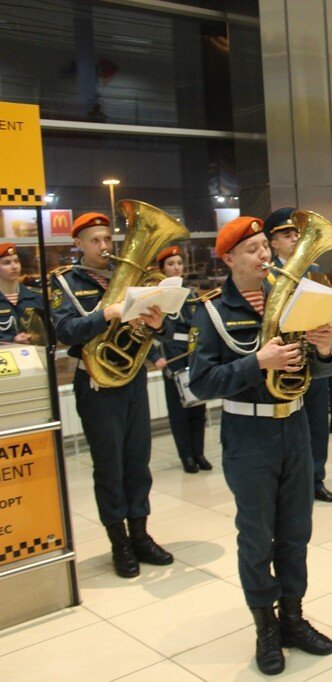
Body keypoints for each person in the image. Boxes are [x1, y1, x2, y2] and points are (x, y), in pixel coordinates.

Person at [189, 216, 332, 675]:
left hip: (293, 428)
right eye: (252, 249)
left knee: (296, 531)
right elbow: (200, 381)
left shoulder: (292, 298)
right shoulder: (212, 310)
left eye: (263, 246)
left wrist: (326, 349)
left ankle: (293, 618)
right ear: (229, 258)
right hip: (248, 435)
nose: (264, 255)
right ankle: (265, 627)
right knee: (256, 537)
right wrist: (258, 362)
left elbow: (320, 376)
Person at [49, 213, 173, 578]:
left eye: (108, 239)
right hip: (97, 385)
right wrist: (106, 314)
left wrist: (156, 326)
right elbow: (66, 331)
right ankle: (119, 542)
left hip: (131, 381)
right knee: (110, 467)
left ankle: (141, 535)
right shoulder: (65, 284)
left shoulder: (133, 277)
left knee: (138, 463)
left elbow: (151, 330)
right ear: (79, 245)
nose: (104, 247)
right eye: (95, 240)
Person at [265, 207, 332, 503]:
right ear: (273, 243)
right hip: (283, 360)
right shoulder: (267, 277)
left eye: (296, 234)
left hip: (313, 357)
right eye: (286, 235)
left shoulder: (315, 274)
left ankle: (316, 479)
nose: (294, 238)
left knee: (317, 424)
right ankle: (290, 482)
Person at [152, 245, 210, 474]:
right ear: (162, 269)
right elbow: (145, 333)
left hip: (194, 355)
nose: (176, 267)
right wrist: (155, 357)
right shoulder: (157, 296)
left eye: (178, 263)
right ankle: (186, 456)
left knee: (198, 408)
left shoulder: (191, 293)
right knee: (179, 412)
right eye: (170, 264)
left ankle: (199, 453)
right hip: (172, 356)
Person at [0, 243, 45, 344]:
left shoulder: (37, 297)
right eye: (7, 263)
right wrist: (11, 341)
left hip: (36, 357)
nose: (14, 266)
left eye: (16, 261)